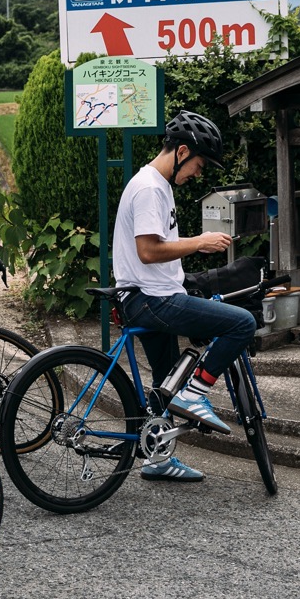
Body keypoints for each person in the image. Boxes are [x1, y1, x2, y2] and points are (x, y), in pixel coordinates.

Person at [113, 110, 256, 483]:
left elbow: (156, 251)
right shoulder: (149, 189)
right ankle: (197, 391)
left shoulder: (158, 186)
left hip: (148, 296)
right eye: (199, 163)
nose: (199, 173)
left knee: (164, 384)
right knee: (243, 323)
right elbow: (148, 250)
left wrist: (188, 264)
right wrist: (199, 243)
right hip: (151, 301)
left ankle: (157, 459)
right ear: (180, 152)